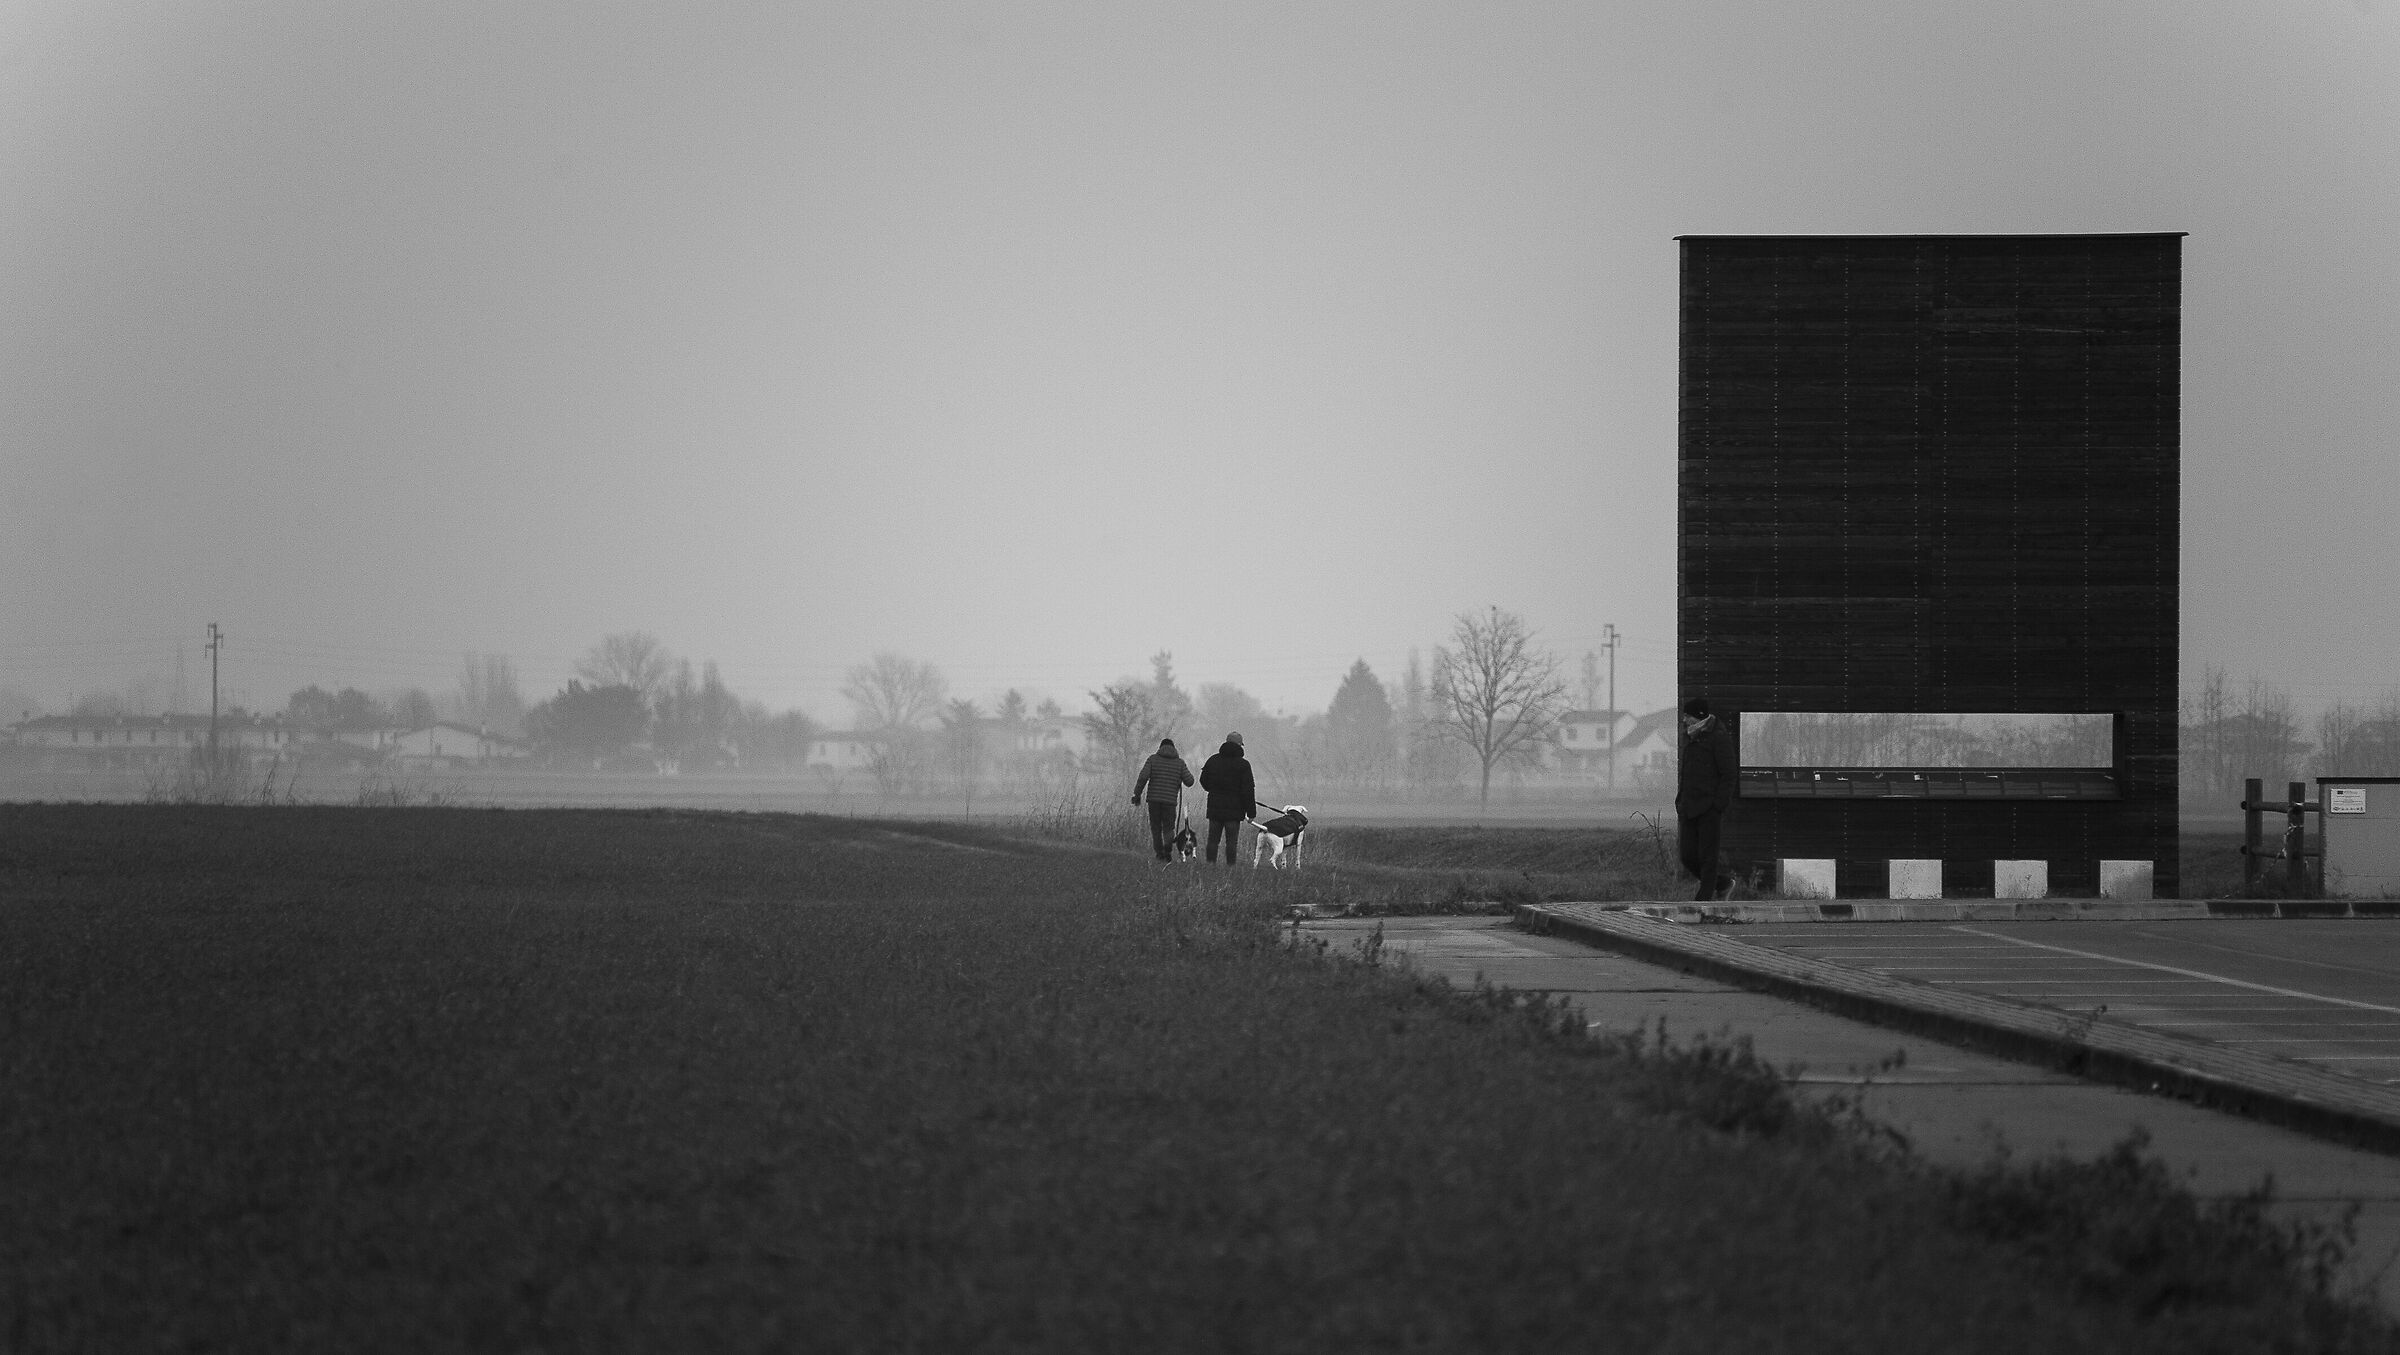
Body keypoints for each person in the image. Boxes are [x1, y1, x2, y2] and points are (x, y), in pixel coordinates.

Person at [1676, 697, 1738, 901]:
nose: (1684, 720)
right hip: (1689, 807)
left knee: (1707, 856)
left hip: (1709, 808)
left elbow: (1729, 774)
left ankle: (1704, 899)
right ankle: (1722, 884)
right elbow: (1687, 773)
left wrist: (1718, 805)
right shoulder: (1691, 737)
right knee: (1687, 856)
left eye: (1687, 716)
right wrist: (1680, 801)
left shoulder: (1718, 738)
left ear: (1698, 717)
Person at [1131, 737, 1195, 862]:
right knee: (1168, 828)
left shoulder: (1152, 759)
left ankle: (1159, 853)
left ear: (1160, 748)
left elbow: (1143, 776)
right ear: (1174, 749)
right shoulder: (1180, 763)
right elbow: (1190, 781)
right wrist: (1179, 775)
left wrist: (1137, 794)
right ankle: (1168, 850)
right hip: (1170, 802)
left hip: (1154, 800)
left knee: (1156, 827)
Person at [1197, 732, 1256, 866]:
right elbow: (1248, 790)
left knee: (1212, 840)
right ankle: (1230, 868)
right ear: (1239, 745)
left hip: (1215, 808)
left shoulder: (1213, 760)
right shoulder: (1243, 765)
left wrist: (1212, 790)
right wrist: (1251, 812)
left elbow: (1203, 780)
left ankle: (1210, 865)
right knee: (1231, 842)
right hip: (1234, 811)